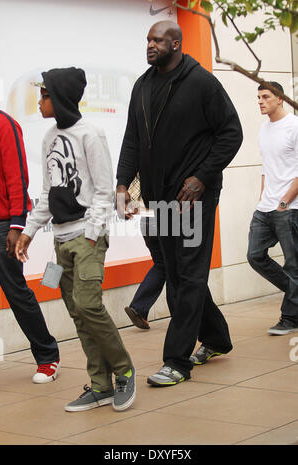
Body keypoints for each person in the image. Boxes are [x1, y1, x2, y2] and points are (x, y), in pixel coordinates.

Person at [116, 21, 243, 387]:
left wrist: (202, 176)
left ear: (176, 42)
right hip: (158, 201)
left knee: (185, 276)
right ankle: (216, 338)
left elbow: (231, 132)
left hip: (193, 201)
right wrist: (123, 183)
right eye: (148, 40)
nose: (150, 45)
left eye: (157, 39)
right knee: (179, 274)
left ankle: (177, 361)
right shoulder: (142, 85)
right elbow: (133, 141)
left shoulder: (202, 83)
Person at [15, 67, 136, 412]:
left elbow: (103, 190)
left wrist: (94, 235)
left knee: (87, 305)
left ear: (61, 97)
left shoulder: (91, 134)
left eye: (45, 95)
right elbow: (47, 191)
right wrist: (28, 231)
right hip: (61, 239)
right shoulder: (50, 136)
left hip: (86, 235)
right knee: (78, 314)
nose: (39, 102)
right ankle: (101, 385)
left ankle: (124, 370)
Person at [0, 108, 60, 383]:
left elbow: (16, 175)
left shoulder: (4, 124)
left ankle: (48, 356)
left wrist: (17, 224)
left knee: (16, 293)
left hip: (2, 225)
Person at [247, 81, 298, 335]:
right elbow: (267, 167)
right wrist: (262, 200)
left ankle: (290, 317)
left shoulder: (294, 127)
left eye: (265, 96)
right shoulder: (264, 129)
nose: (260, 101)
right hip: (266, 206)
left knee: (293, 263)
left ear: (280, 99)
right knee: (255, 256)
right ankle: (295, 295)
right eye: (258, 97)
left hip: (289, 207)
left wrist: (283, 202)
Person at [125, 216, 166, 330]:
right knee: (175, 266)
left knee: (161, 264)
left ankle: (138, 308)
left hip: (146, 221)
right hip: (164, 218)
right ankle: (185, 315)